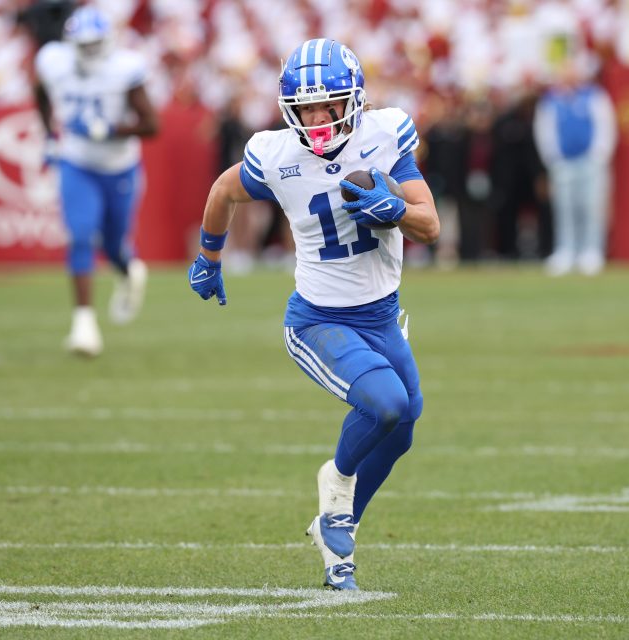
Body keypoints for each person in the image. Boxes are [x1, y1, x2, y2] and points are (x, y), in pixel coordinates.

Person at [188, 39, 439, 590]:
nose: (319, 118)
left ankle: (337, 532)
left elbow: (430, 224)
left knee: (401, 431)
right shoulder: (276, 154)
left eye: (329, 106)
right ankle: (337, 489)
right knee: (388, 404)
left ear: (354, 101)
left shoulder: (384, 134)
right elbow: (223, 190)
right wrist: (209, 257)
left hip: (382, 315)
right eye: (307, 108)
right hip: (319, 320)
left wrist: (396, 209)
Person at [34, 6, 159, 356]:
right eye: (83, 45)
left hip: (119, 167)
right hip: (76, 162)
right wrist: (49, 137)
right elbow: (40, 93)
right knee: (80, 235)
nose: (89, 51)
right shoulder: (54, 62)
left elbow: (152, 124)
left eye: (94, 44)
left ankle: (128, 269)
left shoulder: (124, 68)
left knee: (115, 245)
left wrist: (109, 130)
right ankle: (84, 325)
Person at [533, 59, 616, 276]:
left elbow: (605, 126)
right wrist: (553, 158)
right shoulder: (551, 100)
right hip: (564, 162)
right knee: (564, 208)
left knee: (591, 206)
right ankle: (566, 250)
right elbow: (544, 130)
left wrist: (599, 155)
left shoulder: (594, 96)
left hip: (589, 161)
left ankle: (591, 250)